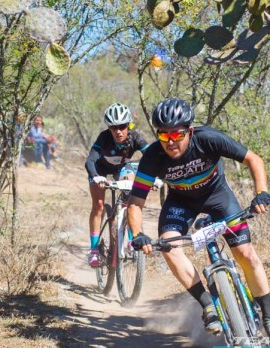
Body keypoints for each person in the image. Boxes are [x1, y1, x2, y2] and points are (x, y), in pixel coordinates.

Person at [128, 97, 270, 334]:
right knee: (169, 247)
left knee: (245, 253)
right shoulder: (152, 157)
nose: (171, 142)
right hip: (181, 201)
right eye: (164, 135)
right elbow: (135, 202)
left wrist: (262, 193)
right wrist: (137, 233)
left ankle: (267, 312)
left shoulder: (208, 139)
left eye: (178, 135)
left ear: (190, 131)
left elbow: (253, 159)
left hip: (217, 196)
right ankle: (208, 306)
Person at [85, 102, 150, 268]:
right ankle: (94, 249)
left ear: (128, 125)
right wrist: (96, 177)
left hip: (121, 168)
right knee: (98, 205)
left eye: (122, 126)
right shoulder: (104, 138)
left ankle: (130, 238)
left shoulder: (135, 137)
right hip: (100, 169)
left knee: (129, 200)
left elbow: (152, 156)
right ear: (109, 128)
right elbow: (90, 161)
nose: (118, 131)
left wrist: (156, 177)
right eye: (114, 128)